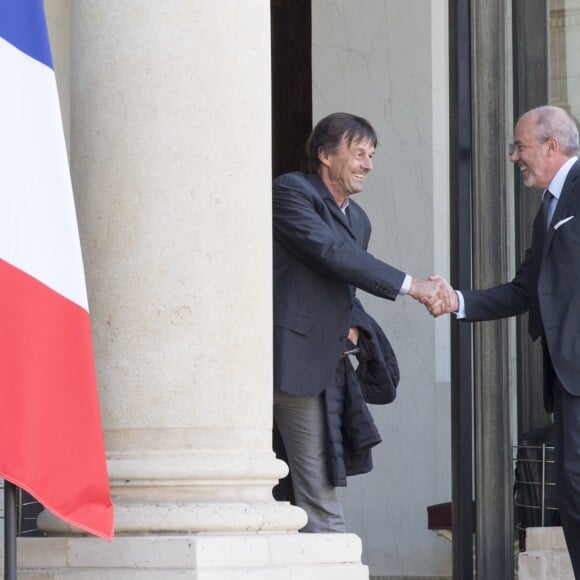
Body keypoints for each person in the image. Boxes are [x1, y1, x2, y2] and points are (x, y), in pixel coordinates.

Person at [272, 112, 452, 532]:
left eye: (371, 155)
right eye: (358, 153)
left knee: (309, 489)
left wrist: (355, 326)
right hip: (287, 362)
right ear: (324, 155)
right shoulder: (291, 192)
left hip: (326, 362)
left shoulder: (360, 219)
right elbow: (332, 253)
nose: (368, 164)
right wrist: (412, 286)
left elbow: (345, 285)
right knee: (315, 494)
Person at [427, 105, 580, 576]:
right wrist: (458, 301)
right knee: (572, 497)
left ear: (550, 146)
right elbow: (523, 289)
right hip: (565, 381)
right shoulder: (548, 209)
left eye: (520, 147)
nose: (515, 157)